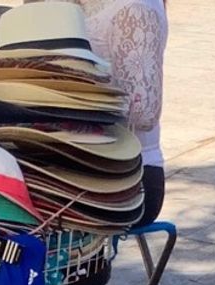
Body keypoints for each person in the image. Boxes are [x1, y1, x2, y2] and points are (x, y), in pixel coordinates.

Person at [74, 0, 168, 225]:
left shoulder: (136, 10)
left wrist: (79, 101)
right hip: (77, 162)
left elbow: (145, 113)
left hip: (129, 176)